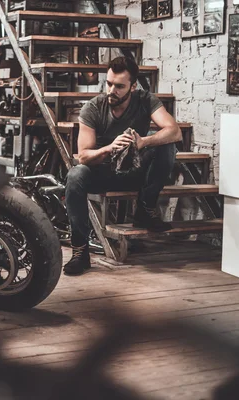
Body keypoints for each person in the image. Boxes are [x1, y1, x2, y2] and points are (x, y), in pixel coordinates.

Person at [63, 56, 182, 276]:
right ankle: (80, 251)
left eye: (119, 86)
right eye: (108, 83)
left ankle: (145, 209)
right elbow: (84, 156)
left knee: (167, 145)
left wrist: (143, 142)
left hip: (134, 170)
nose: (111, 90)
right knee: (75, 175)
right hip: (104, 172)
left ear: (133, 87)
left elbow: (174, 130)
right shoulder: (93, 108)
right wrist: (108, 148)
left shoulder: (145, 100)